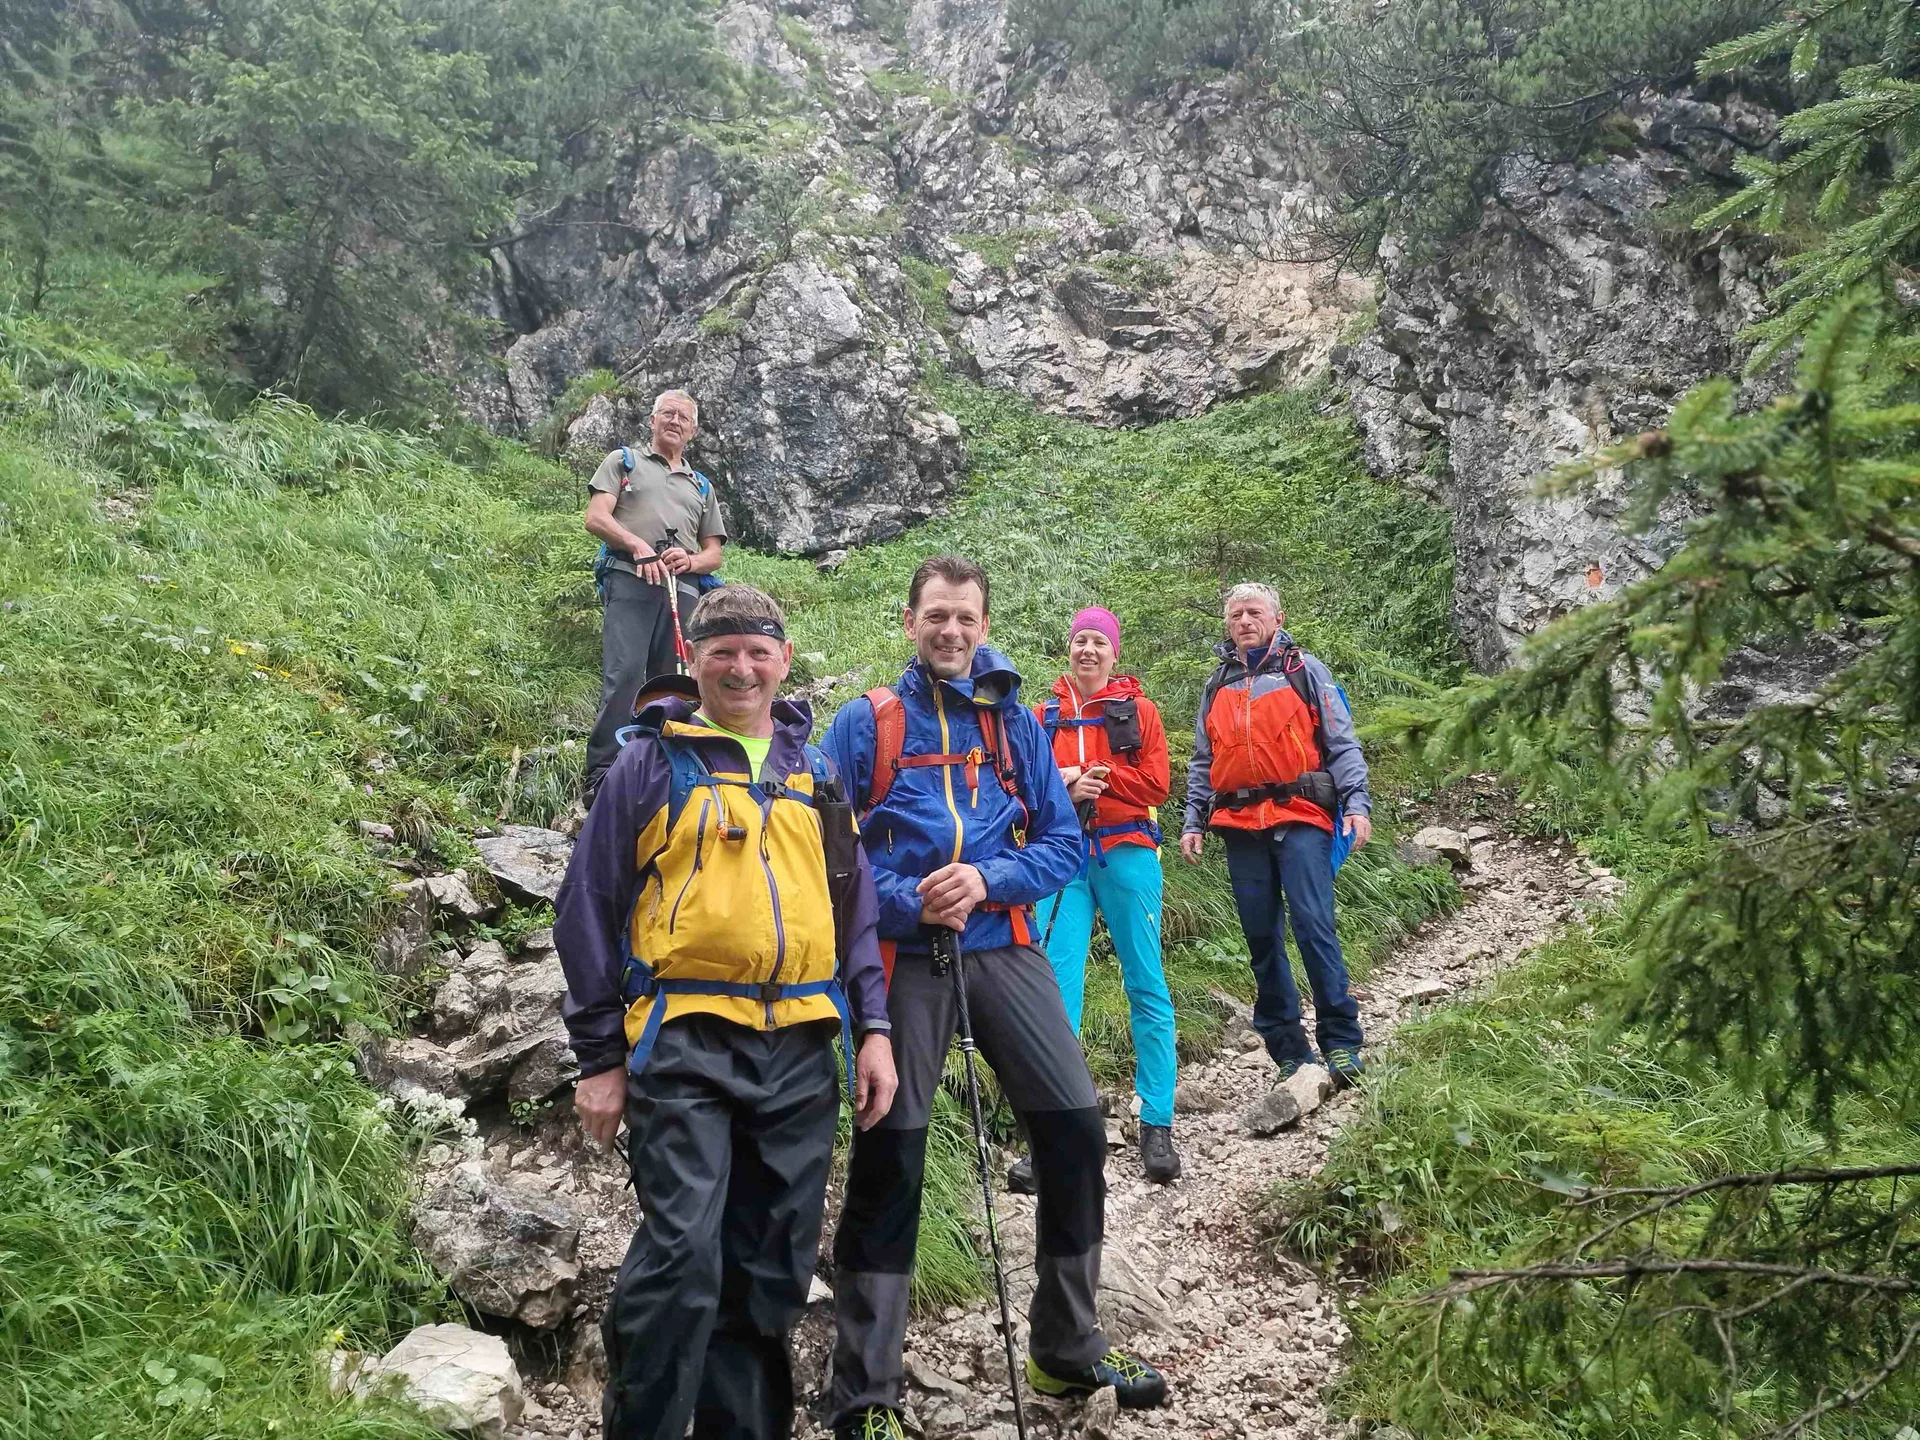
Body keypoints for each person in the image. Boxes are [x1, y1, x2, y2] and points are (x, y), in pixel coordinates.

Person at [821, 556, 1169, 1440]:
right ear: (909, 622)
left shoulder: (1014, 723)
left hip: (1001, 940)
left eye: (966, 618)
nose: (952, 631)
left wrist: (986, 876)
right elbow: (827, 852)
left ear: (983, 624)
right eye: (936, 616)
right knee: (891, 1152)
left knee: (1074, 1129)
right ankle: (866, 1395)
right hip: (904, 953)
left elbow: (1060, 844)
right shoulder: (868, 725)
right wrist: (908, 899)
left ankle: (1065, 1344)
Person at [554, 583, 899, 1440]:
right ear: (695, 662)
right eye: (722, 651)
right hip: (685, 1040)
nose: (741, 667)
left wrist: (876, 1030)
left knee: (769, 1267)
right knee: (680, 1259)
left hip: (802, 1046)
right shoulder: (650, 763)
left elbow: (853, 912)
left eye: (757, 651)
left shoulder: (815, 773)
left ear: (783, 661)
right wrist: (599, 1059)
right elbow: (586, 908)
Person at [1179, 582, 1373, 1086]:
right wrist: (1193, 819)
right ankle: (1289, 1050)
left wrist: (1357, 804)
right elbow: (1205, 760)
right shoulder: (1216, 683)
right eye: (1236, 614)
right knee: (1261, 938)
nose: (1245, 621)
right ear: (1227, 624)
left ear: (1277, 617)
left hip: (1300, 815)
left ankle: (1342, 1042)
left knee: (1314, 927)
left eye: (1254, 612)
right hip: (1240, 826)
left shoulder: (1305, 671)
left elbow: (1341, 741)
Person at [1024, 605, 1180, 1187]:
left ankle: (1157, 1121)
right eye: (1079, 640)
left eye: (1099, 642)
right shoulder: (1042, 716)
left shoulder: (1138, 711)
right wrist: (1067, 781)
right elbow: (1025, 787)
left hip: (1128, 854)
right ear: (1069, 648)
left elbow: (1157, 783)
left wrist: (1100, 776)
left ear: (1114, 652)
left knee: (1145, 979)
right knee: (1054, 988)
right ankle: (1055, 1133)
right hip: (1062, 862)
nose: (1088, 650)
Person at [581, 388, 728, 802]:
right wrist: (636, 544)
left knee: (675, 682)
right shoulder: (624, 462)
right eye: (667, 413)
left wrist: (691, 560)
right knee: (625, 674)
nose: (674, 421)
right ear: (652, 420)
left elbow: (713, 553)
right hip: (630, 578)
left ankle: (666, 770)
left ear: (693, 430)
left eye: (683, 416)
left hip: (682, 590)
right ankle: (604, 772)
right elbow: (596, 517)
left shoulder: (701, 485)